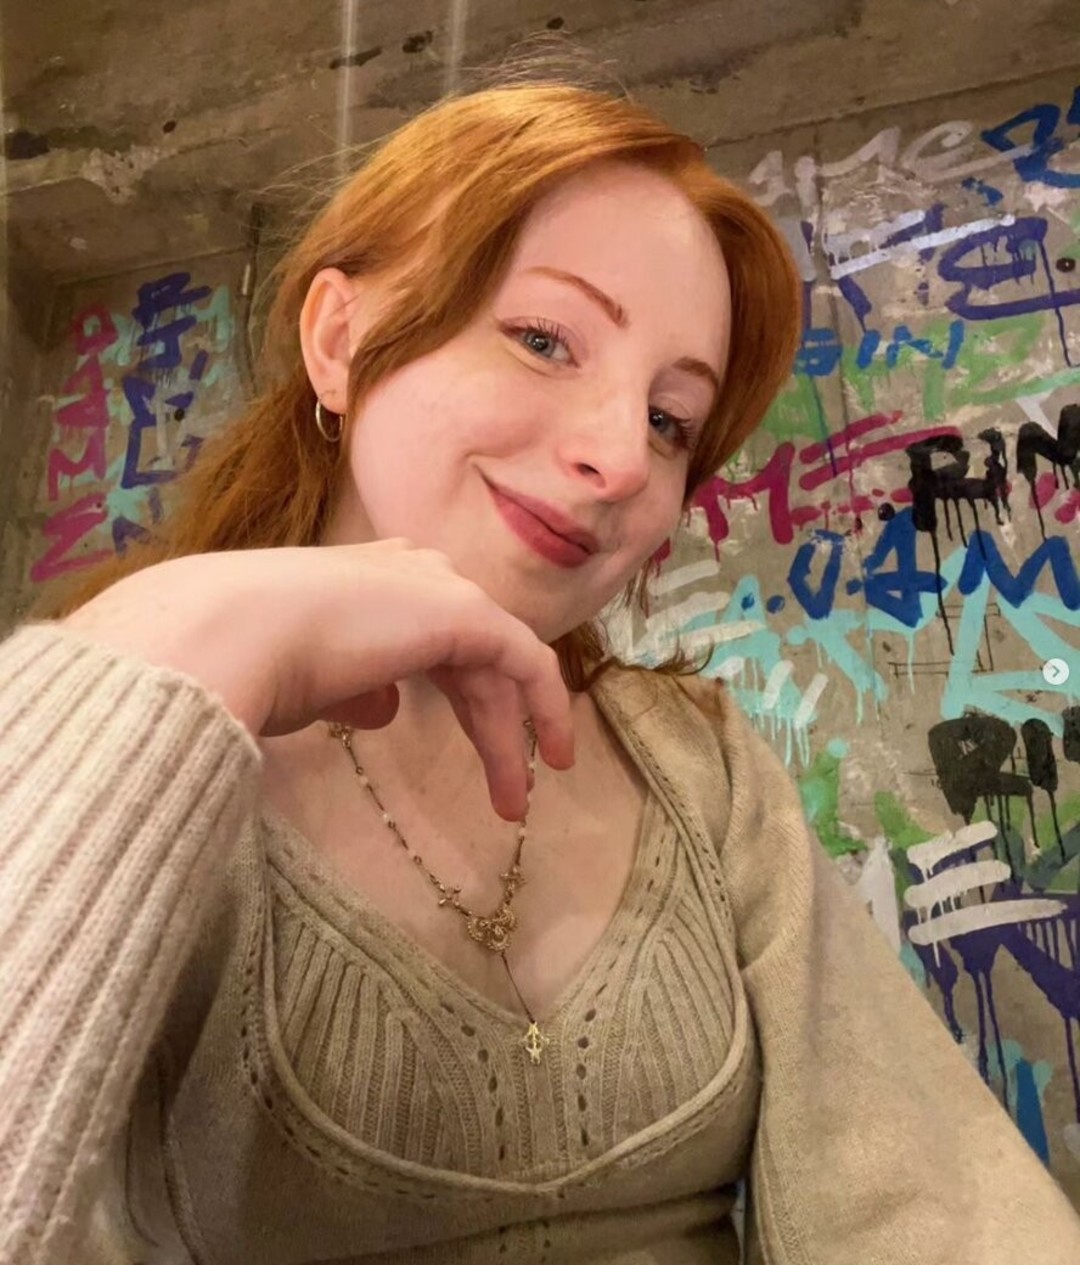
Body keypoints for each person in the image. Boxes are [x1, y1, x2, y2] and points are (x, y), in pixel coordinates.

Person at [1, 75, 1078, 1265]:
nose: (620, 458)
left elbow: (930, 1205)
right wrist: (175, 644)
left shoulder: (700, 763)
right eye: (544, 339)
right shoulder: (128, 731)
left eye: (671, 421)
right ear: (338, 340)